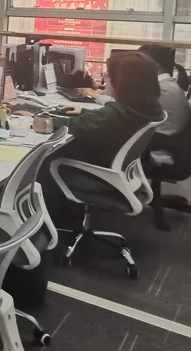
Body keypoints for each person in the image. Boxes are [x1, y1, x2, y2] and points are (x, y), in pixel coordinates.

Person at [43, 50, 165, 224]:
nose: (104, 78)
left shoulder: (115, 115)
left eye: (108, 75)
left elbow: (73, 126)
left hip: (98, 174)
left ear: (124, 83)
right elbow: (105, 120)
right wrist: (84, 111)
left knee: (42, 158)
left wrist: (38, 119)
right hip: (118, 171)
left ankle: (52, 221)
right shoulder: (147, 108)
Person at [137, 43, 191, 140]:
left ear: (155, 66)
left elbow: (127, 111)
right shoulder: (169, 85)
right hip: (168, 136)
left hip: (158, 140)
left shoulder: (160, 89)